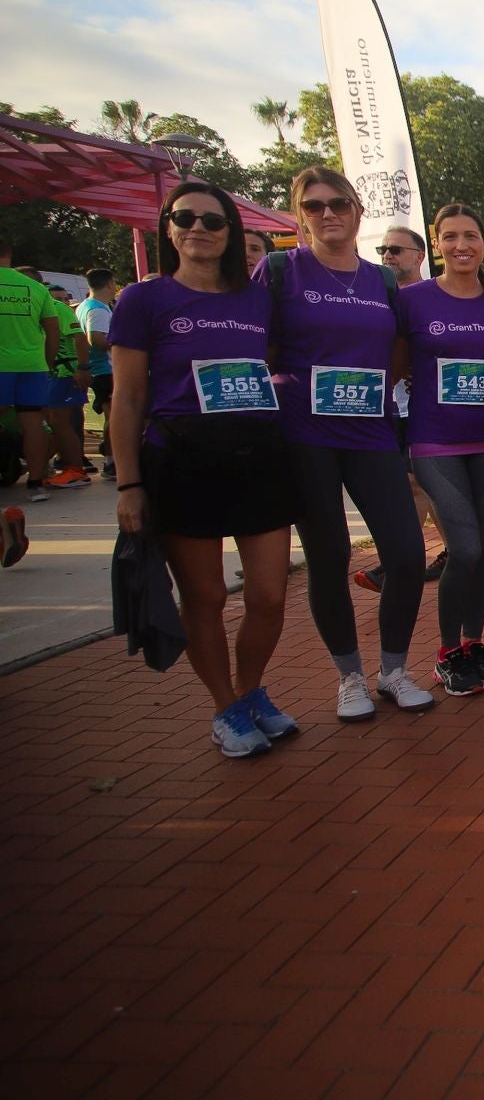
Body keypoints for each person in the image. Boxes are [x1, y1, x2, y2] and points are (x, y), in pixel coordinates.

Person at [109, 181, 301, 756]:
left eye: (213, 221)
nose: (199, 228)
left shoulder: (257, 298)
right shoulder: (143, 302)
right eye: (184, 217)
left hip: (256, 455)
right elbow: (127, 398)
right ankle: (224, 708)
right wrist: (129, 483)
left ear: (231, 233)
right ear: (167, 228)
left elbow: (273, 365)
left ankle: (250, 693)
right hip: (180, 459)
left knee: (269, 594)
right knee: (207, 597)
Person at [263, 167, 434, 720]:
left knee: (407, 555)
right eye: (314, 207)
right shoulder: (279, 271)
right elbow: (257, 348)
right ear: (299, 216)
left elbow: (401, 349)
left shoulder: (381, 281)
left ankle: (393, 669)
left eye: (339, 203)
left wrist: (376, 388)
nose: (328, 214)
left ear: (359, 213)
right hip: (304, 437)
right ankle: (349, 678)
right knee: (329, 556)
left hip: (371, 432)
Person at [396, 204, 484, 696]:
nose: (462, 245)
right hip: (435, 439)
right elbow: (396, 366)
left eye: (471, 236)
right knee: (462, 547)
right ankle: (446, 651)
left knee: (482, 549)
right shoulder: (414, 300)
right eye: (451, 237)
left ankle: (473, 645)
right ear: (437, 243)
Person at [359, 222, 446, 590]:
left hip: (425, 409)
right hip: (388, 407)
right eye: (383, 251)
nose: (388, 256)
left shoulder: (430, 296)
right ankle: (458, 549)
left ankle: (401, 560)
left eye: (396, 249)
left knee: (416, 482)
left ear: (420, 255)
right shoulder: (378, 297)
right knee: (416, 484)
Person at [0, 236, 61, 505]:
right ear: (9, 255)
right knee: (33, 423)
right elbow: (52, 328)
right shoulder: (35, 288)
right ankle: (36, 484)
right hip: (32, 366)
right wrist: (46, 362)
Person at [36, 276, 91, 488]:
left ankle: (76, 470)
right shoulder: (42, 307)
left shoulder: (57, 307)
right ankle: (48, 468)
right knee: (52, 421)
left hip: (64, 373)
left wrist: (82, 367)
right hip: (50, 373)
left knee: (60, 421)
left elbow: (79, 338)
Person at [76, 267, 118, 478]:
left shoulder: (87, 306)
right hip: (105, 370)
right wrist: (126, 342)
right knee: (115, 417)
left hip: (101, 370)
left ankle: (111, 459)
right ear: (110, 283)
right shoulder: (98, 309)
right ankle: (112, 462)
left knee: (113, 417)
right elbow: (97, 339)